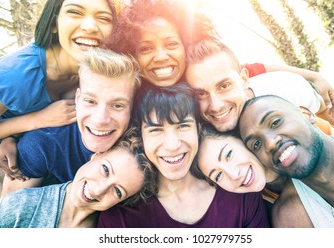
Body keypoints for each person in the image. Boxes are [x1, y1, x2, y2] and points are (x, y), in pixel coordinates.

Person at [0, 0, 117, 225]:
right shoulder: (17, 74)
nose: (90, 26)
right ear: (54, 22)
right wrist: (33, 122)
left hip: (17, 139)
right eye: (75, 12)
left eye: (103, 17)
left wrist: (14, 136)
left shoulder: (96, 71)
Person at [107, 0, 334, 117]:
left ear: (186, 44)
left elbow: (255, 68)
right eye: (145, 49)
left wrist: (314, 76)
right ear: (132, 55)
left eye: (171, 44)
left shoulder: (199, 73)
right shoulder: (134, 91)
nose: (161, 56)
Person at [97, 82, 269, 228]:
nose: (173, 145)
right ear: (140, 137)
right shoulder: (120, 216)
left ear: (197, 129)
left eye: (183, 126)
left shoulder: (239, 189)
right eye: (156, 130)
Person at [1, 48, 141, 197]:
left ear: (132, 108)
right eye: (90, 101)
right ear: (77, 99)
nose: (100, 120)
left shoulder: (145, 146)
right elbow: (6, 213)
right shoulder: (43, 143)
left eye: (117, 105)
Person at [238, 94, 334, 228]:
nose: (270, 144)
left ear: (306, 114)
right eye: (256, 144)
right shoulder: (292, 219)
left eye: (275, 122)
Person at [0, 128, 153, 228]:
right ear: (97, 155)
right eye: (105, 169)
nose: (99, 189)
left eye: (117, 191)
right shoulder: (20, 205)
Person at [185, 39, 334, 134]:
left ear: (244, 79)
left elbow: (328, 110)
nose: (215, 105)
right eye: (200, 93)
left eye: (224, 86)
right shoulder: (198, 132)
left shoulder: (280, 88)